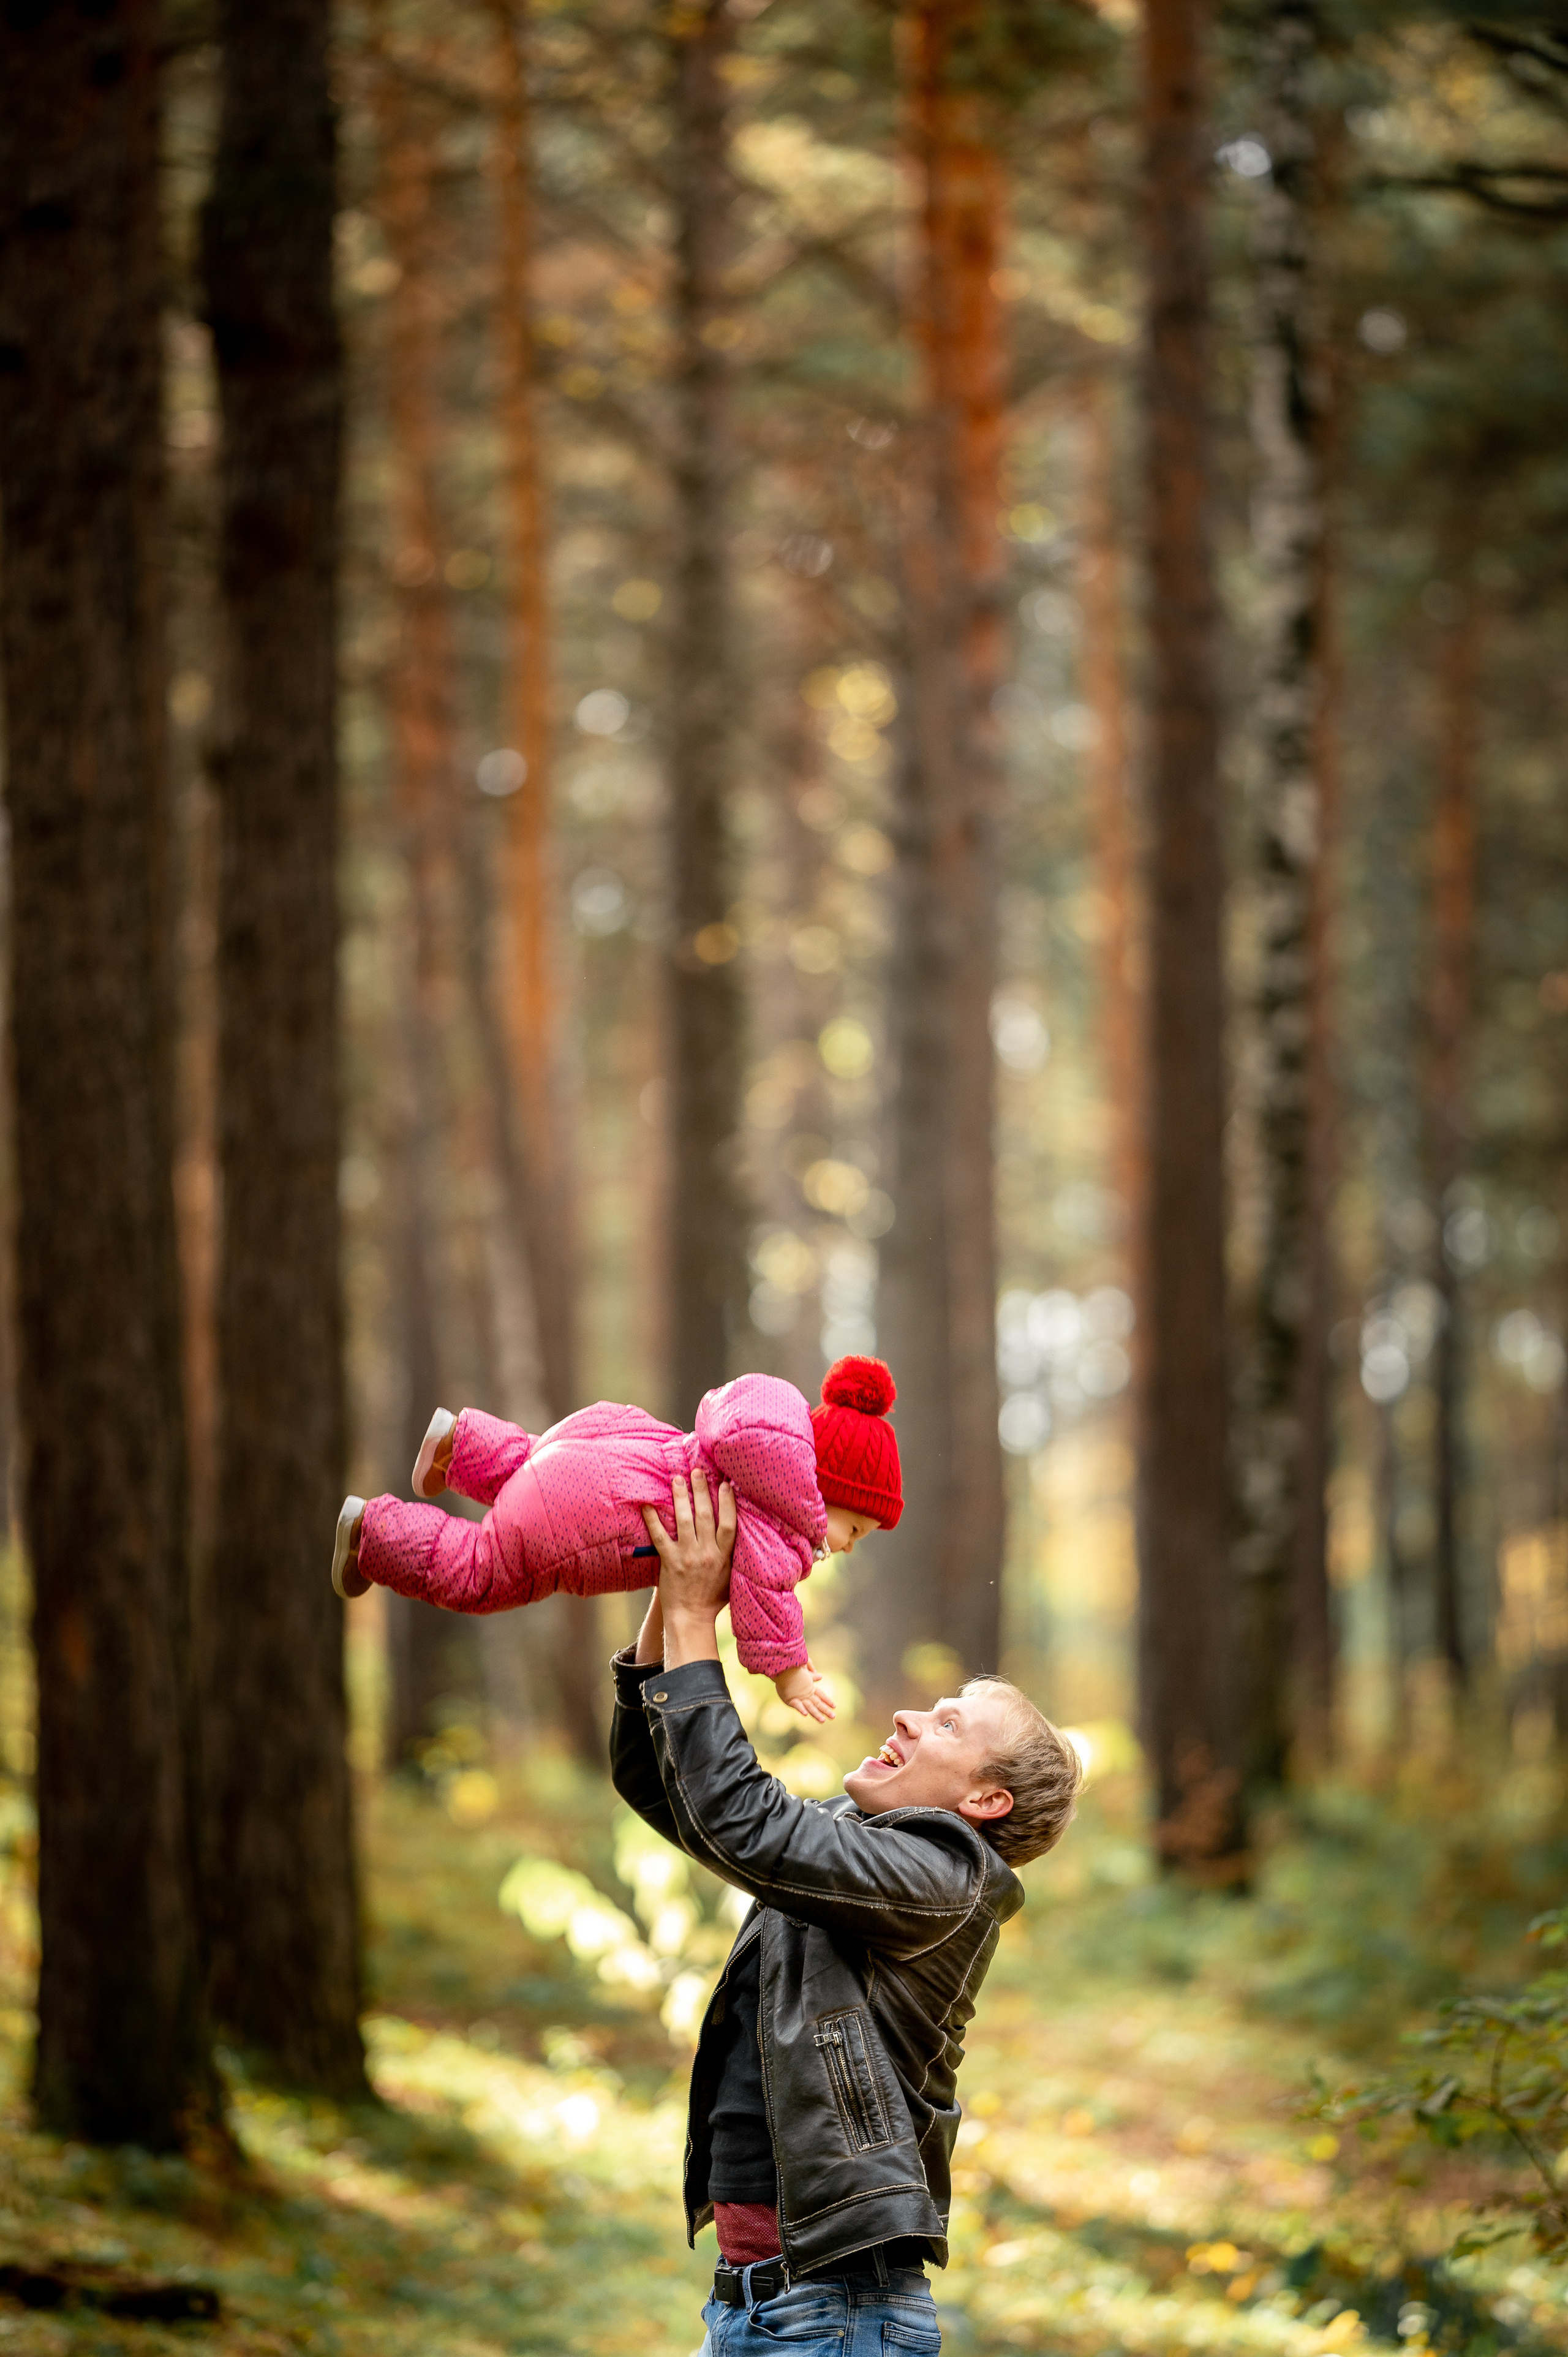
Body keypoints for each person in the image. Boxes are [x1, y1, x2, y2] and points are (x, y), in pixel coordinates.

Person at [617, 1465, 1083, 2357]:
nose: (908, 1716)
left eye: (948, 1726)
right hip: (759, 2303)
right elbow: (672, 1788)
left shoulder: (943, 1880)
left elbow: (744, 1822)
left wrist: (689, 1620)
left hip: (832, 2312)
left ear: (985, 1802)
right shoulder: (860, 1847)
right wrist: (677, 1598)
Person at [330, 1356, 902, 1721]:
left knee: (529, 1463)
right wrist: (790, 1673)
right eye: (855, 1528)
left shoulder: (742, 1457)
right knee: (481, 1570)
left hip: (605, 1450)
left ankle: (458, 1442)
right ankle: (372, 1534)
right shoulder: (775, 1520)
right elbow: (766, 1598)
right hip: (595, 1517)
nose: (850, 1545)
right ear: (822, 1490)